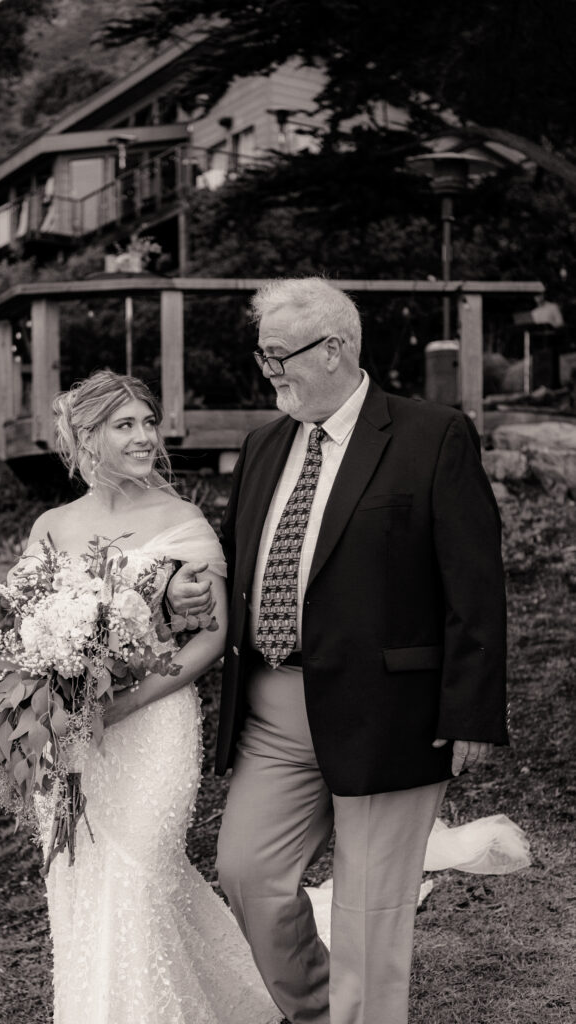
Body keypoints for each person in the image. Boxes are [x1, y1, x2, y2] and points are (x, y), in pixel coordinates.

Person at [168, 277, 509, 1024]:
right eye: (263, 359)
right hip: (274, 709)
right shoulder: (262, 446)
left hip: (395, 710)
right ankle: (322, 1012)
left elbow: (474, 583)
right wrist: (182, 596)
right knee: (248, 874)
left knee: (369, 908)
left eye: (279, 357)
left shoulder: (431, 435)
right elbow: (241, 563)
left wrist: (473, 709)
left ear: (337, 348)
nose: (270, 374)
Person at [15, 370, 278, 1024]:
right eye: (123, 424)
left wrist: (124, 703)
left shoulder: (179, 519)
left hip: (156, 719)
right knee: (80, 878)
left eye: (147, 422)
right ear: (87, 437)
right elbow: (27, 639)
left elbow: (210, 639)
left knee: (142, 870)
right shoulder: (51, 525)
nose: (143, 436)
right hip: (73, 736)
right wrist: (51, 705)